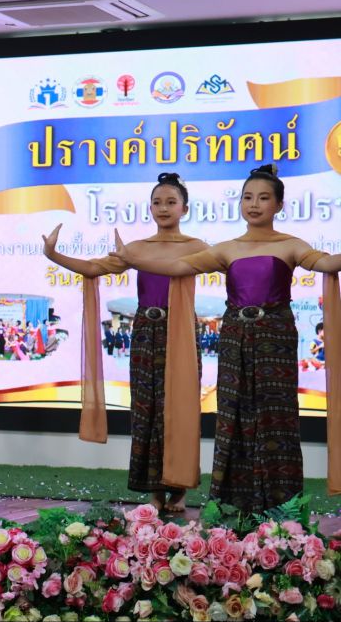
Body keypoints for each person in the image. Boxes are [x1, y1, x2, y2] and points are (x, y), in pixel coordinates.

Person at [114, 164, 341, 513]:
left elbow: (328, 265)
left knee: (275, 413)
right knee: (232, 412)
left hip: (275, 336)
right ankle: (234, 500)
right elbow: (178, 269)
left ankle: (281, 502)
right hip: (234, 335)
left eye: (263, 198)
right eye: (248, 197)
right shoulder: (227, 248)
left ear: (279, 205)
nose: (254, 204)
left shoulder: (291, 244)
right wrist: (132, 258)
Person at [43, 172, 207, 513]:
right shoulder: (136, 248)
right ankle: (154, 490)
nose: (163, 208)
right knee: (147, 409)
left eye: (171, 202)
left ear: (185, 208)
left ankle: (179, 489)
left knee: (179, 407)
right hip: (146, 331)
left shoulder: (197, 247)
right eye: (157, 202)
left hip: (181, 331)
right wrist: (53, 254)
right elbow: (92, 269)